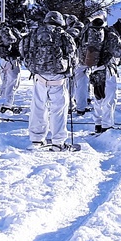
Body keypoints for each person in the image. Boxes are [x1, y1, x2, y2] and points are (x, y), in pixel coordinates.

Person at [20, 11, 77, 151]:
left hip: (39, 76)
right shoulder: (64, 35)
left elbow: (23, 50)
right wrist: (70, 70)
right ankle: (58, 142)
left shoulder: (34, 33)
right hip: (58, 77)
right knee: (58, 109)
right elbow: (72, 54)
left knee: (38, 107)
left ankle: (36, 139)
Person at [91, 17, 121, 134]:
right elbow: (118, 52)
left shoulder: (104, 32)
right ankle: (107, 126)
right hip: (107, 70)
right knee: (109, 98)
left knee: (99, 97)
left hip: (97, 69)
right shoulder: (113, 36)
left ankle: (98, 124)